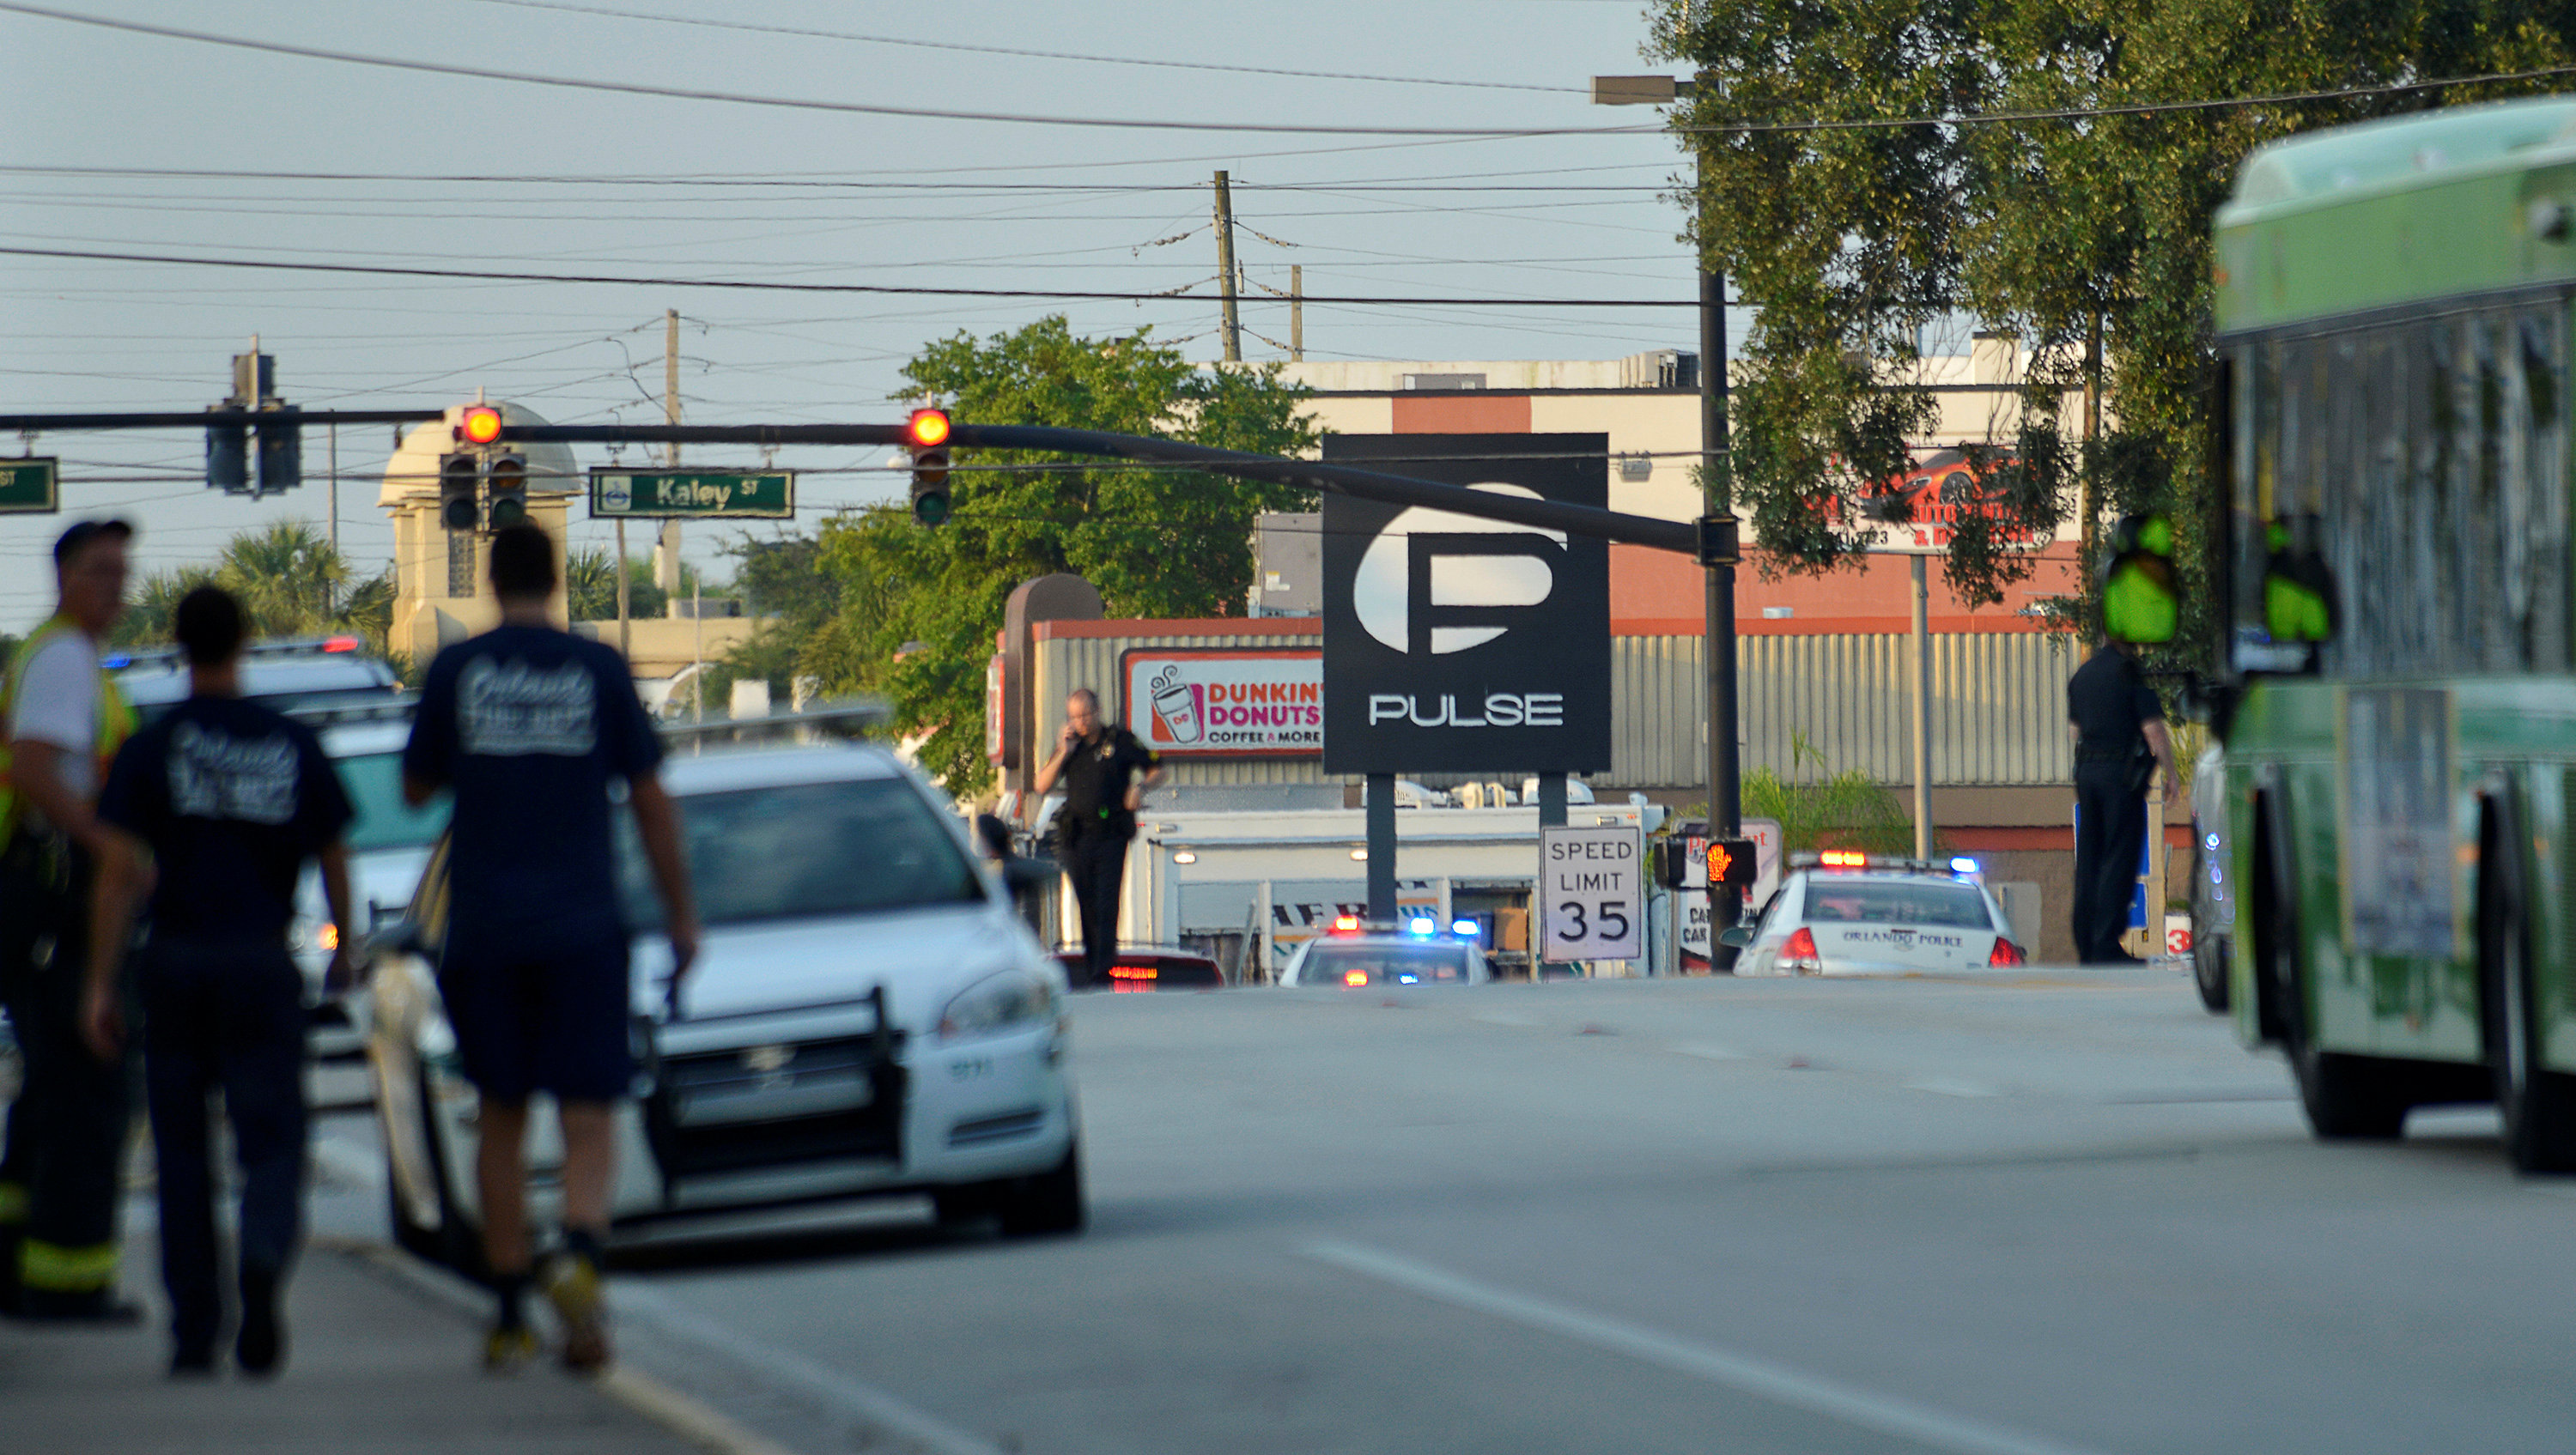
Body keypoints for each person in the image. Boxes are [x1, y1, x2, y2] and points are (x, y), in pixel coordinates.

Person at [401, 523, 699, 1373]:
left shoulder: (457, 670)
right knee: (588, 1111)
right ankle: (580, 1254)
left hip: (486, 928)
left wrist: (482, 760)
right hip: (583, 925)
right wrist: (682, 917)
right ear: (557, 580)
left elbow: (415, 788)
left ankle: (507, 1312)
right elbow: (650, 799)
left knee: (501, 1113)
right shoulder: (599, 668)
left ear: (492, 584)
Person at [81, 585, 355, 1376]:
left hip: (175, 964)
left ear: (179, 644)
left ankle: (195, 1328)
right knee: (272, 1139)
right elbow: (336, 851)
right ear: (241, 642)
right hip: (261, 964)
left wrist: (101, 983)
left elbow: (117, 870)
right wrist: (345, 947)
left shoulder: (154, 747)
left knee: (182, 1150)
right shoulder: (288, 742)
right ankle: (264, 1250)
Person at [0, 518, 137, 1322]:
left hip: (48, 891)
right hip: (62, 894)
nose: (114, 586)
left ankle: (23, 1267)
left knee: (51, 1089)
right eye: (99, 571)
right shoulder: (59, 658)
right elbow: (33, 766)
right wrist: (104, 840)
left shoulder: (69, 657)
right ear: (63, 578)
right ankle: (68, 1282)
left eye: (122, 572)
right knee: (88, 1087)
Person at [1031, 688, 1160, 989]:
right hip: (1077, 836)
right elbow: (1041, 785)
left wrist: (1140, 788)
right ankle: (1094, 965)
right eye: (1074, 716)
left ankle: (1103, 969)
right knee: (1086, 902)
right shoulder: (1070, 747)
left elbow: (1158, 769)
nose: (1081, 722)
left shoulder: (1121, 741)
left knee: (1106, 903)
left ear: (1098, 710)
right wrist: (1062, 750)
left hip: (1111, 834)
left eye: (1085, 714)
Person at [2068, 633, 2182, 965]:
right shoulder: (2130, 673)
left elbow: (2075, 731)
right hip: (2121, 777)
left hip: (2087, 774)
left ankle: (2087, 942)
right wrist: (2171, 773)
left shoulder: (2082, 676)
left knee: (2089, 858)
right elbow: (2153, 730)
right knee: (2120, 855)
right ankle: (2105, 943)